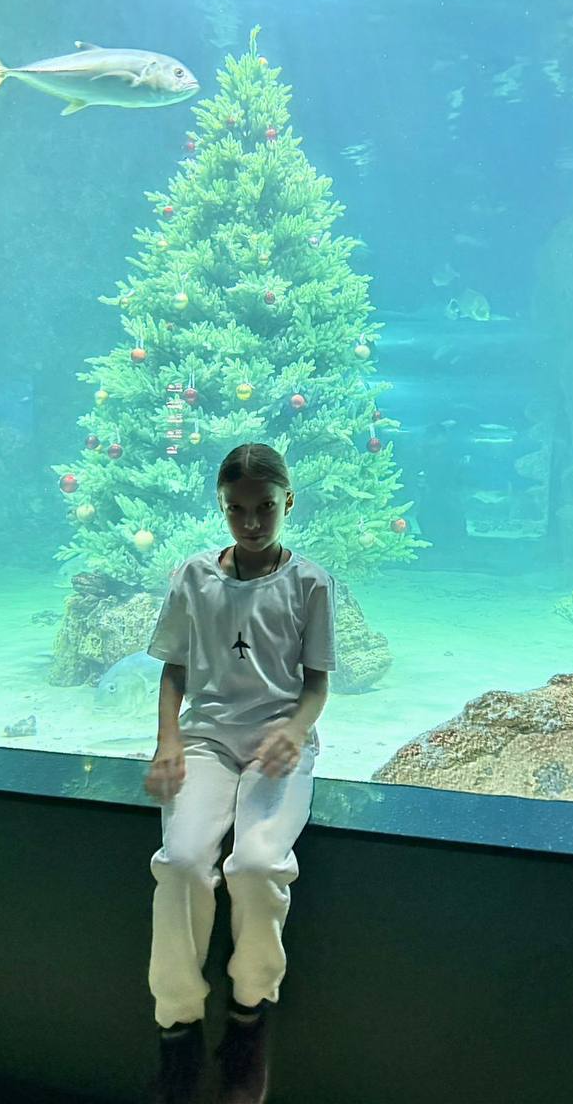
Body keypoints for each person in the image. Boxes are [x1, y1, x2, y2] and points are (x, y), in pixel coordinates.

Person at [144, 442, 336, 1104]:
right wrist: (168, 740)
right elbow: (174, 669)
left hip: (278, 743)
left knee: (255, 866)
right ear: (222, 507)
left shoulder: (310, 583)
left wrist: (295, 731)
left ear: (288, 503)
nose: (251, 522)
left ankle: (250, 1016)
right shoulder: (193, 576)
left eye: (265, 507)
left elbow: (315, 685)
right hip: (205, 740)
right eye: (237, 509)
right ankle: (177, 1024)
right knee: (181, 863)